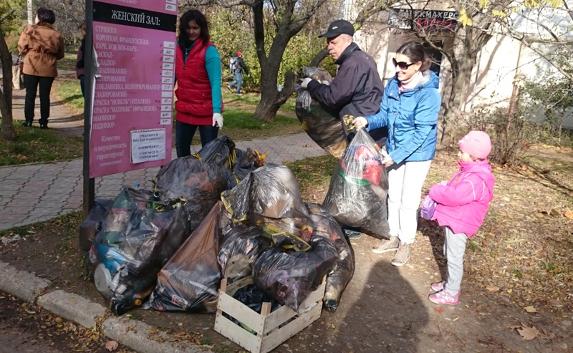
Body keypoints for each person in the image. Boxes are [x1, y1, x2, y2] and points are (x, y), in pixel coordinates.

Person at [353, 41, 441, 266]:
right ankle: (393, 236)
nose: (399, 70)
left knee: (409, 200)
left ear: (418, 65)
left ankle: (406, 243)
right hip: (394, 149)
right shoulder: (393, 85)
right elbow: (384, 115)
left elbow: (422, 132)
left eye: (404, 65)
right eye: (396, 64)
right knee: (394, 196)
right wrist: (368, 121)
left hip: (418, 154)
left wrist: (397, 154)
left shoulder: (428, 94)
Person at [426, 131, 495, 305]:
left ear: (473, 156)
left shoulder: (476, 179)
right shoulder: (470, 172)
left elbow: (455, 196)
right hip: (456, 220)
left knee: (454, 256)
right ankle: (449, 283)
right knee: (448, 252)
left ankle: (451, 292)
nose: (458, 154)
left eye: (461, 152)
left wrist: (436, 191)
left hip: (461, 223)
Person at [300, 19, 386, 143]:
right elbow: (348, 91)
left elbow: (333, 98)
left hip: (363, 132)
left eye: (333, 42)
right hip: (369, 127)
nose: (329, 47)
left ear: (348, 40)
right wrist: (329, 86)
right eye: (328, 43)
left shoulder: (353, 63)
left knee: (358, 162)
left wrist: (311, 84)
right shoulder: (362, 58)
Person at [174, 9, 223, 157]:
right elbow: (171, 77)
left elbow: (215, 82)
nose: (191, 31)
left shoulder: (209, 51)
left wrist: (216, 111)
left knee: (208, 156)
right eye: (188, 28)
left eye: (195, 28)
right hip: (185, 109)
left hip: (206, 112)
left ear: (202, 29)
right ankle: (185, 179)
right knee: (182, 152)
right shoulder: (176, 48)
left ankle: (208, 180)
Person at [18, 7, 65, 128]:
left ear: (40, 17)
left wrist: (30, 53)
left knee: (30, 95)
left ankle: (28, 121)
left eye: (36, 15)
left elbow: (21, 47)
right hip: (48, 69)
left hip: (30, 66)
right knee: (45, 96)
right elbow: (61, 54)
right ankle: (44, 122)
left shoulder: (30, 30)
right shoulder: (57, 34)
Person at [76, 23, 87, 98]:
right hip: (83, 72)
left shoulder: (87, 42)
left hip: (85, 73)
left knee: (87, 97)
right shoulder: (84, 41)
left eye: (82, 30)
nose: (81, 33)